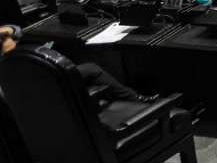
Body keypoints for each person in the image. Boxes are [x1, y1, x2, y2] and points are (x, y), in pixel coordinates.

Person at [0, 25, 157, 102]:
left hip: (35, 80)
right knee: (91, 69)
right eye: (11, 53)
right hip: (39, 90)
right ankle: (135, 98)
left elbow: (17, 31)